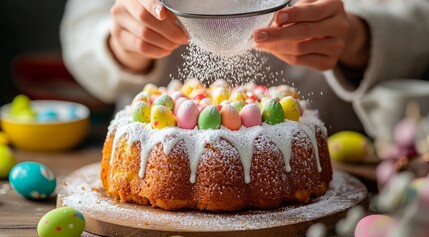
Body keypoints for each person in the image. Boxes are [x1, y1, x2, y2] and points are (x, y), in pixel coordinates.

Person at [60, 0, 429, 137]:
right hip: (160, 134)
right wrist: (120, 43)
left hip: (348, 148)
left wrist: (359, 36)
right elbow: (84, 27)